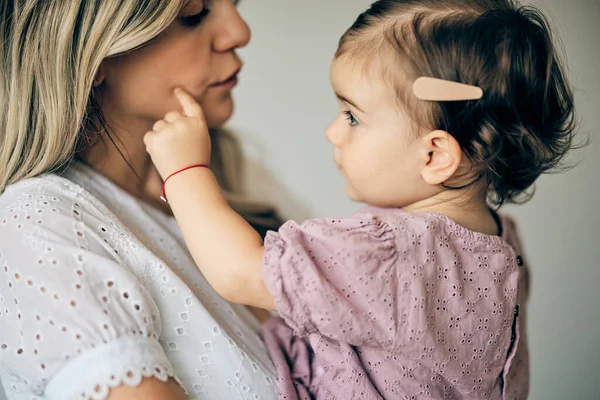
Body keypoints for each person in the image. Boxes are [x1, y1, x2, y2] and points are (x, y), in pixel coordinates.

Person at [143, 0, 577, 399]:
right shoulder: (503, 247)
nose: (334, 132)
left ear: (435, 154)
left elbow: (239, 273)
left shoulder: (385, 253)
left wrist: (185, 171)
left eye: (352, 116)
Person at [0, 1, 282, 399]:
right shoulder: (38, 226)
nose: (239, 31)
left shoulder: (240, 182)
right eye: (194, 14)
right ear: (95, 53)